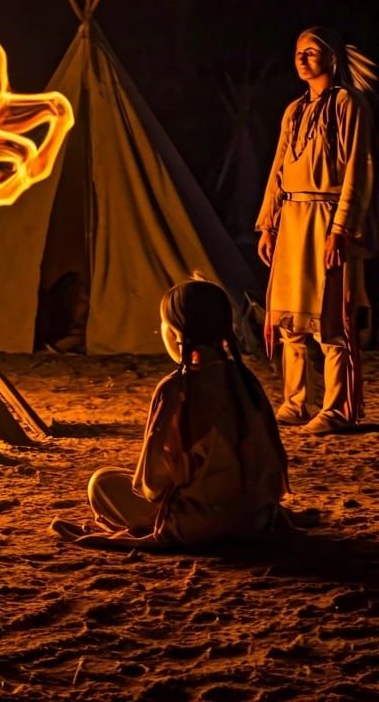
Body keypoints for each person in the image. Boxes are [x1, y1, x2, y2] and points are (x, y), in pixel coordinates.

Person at [52, 279, 290, 548]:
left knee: (102, 483)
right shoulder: (246, 380)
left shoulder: (176, 388)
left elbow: (153, 483)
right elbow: (271, 463)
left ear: (177, 333)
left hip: (198, 522)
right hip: (256, 518)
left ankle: (179, 523)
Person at [255, 27, 378, 435]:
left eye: (311, 51)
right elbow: (278, 169)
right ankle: (296, 401)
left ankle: (337, 408)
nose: (302, 58)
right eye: (298, 52)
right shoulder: (294, 110)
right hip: (292, 217)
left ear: (331, 57)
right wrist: (268, 224)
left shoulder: (348, 104)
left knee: (331, 317)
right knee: (291, 320)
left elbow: (358, 169)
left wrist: (341, 228)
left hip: (327, 216)